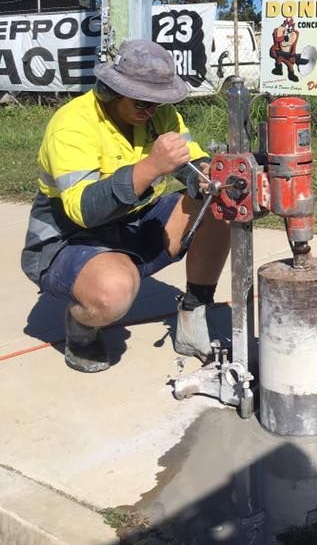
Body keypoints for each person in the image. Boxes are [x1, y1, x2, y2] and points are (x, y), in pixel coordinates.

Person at [21, 39, 230, 373]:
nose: (151, 110)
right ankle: (82, 324)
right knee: (113, 292)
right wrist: (150, 167)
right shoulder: (72, 124)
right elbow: (84, 210)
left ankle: (195, 313)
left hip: (132, 220)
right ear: (110, 90)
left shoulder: (160, 114)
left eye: (158, 101)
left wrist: (203, 175)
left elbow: (189, 161)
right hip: (71, 237)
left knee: (220, 205)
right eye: (143, 101)